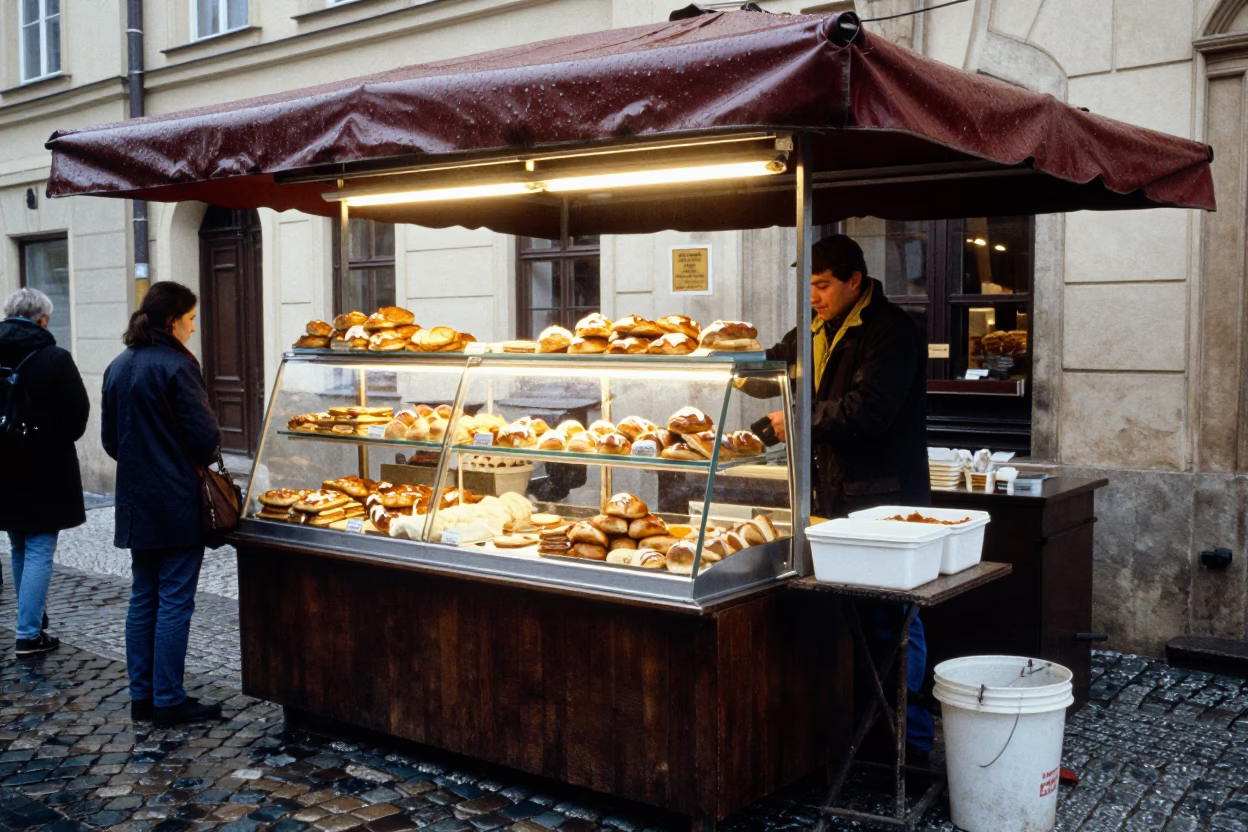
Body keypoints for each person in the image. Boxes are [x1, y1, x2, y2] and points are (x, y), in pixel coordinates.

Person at [748, 234, 935, 759]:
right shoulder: (815, 327)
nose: (813, 295)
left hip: (884, 502)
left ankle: (909, 742)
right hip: (829, 497)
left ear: (855, 281)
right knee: (845, 618)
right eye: (808, 285)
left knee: (895, 618)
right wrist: (732, 363)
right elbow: (775, 368)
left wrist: (797, 419)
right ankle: (854, 730)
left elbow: (868, 410)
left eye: (823, 285)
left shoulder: (892, 331)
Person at [102, 281, 225, 727]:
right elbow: (205, 438)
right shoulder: (177, 366)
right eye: (190, 319)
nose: (193, 328)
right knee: (173, 600)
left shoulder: (119, 365)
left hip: (137, 502)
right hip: (175, 501)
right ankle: (169, 699)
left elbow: (111, 442)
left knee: (144, 597)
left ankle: (143, 696)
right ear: (172, 320)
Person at [0, 288, 89, 656]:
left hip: (1, 464)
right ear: (43, 320)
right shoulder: (55, 358)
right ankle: (28, 633)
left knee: (19, 542)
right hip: (44, 466)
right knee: (38, 546)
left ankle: (30, 619)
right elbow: (78, 415)